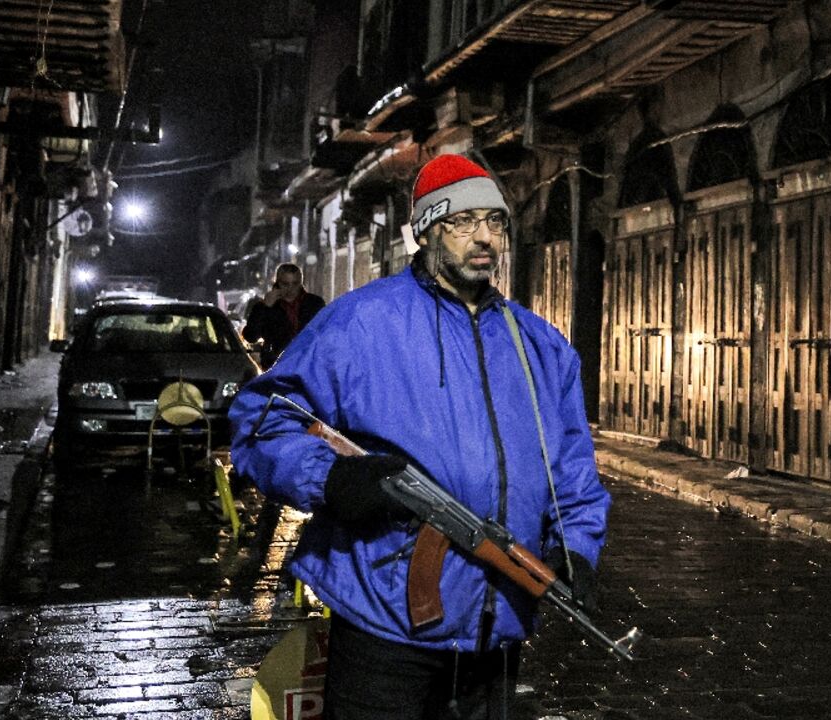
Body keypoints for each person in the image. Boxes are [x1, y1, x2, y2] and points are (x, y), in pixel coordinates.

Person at [228, 154, 611, 719]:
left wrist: (578, 548)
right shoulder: (361, 323)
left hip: (494, 631)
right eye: (464, 222)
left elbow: (573, 469)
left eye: (496, 222)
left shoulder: (542, 346)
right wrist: (329, 477)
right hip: (384, 626)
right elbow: (262, 418)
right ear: (429, 230)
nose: (485, 237)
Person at [242, 262, 326, 368]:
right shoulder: (265, 306)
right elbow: (251, 336)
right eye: (285, 284)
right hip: (277, 365)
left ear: (301, 282)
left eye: (295, 283)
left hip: (308, 363)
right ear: (278, 283)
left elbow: (325, 332)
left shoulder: (314, 303)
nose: (290, 289)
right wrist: (265, 307)